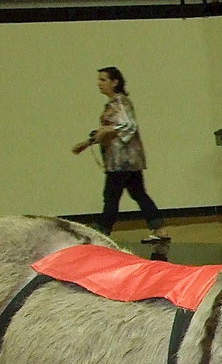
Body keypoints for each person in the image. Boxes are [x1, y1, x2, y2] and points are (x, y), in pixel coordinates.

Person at [71, 67, 170, 243]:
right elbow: (111, 130)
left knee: (111, 194)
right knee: (138, 193)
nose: (99, 84)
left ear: (115, 82)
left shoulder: (120, 103)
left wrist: (105, 131)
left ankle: (103, 230)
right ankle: (159, 228)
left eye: (103, 80)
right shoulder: (114, 104)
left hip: (122, 160)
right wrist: (88, 143)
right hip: (127, 160)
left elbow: (128, 126)